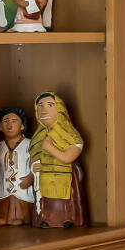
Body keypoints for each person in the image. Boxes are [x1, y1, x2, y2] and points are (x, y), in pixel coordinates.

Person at [30, 91, 85, 229]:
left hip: (64, 177)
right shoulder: (38, 137)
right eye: (40, 106)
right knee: (47, 201)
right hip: (45, 178)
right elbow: (33, 157)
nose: (44, 110)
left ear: (60, 109)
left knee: (64, 202)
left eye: (50, 105)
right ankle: (46, 219)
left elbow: (67, 158)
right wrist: (33, 167)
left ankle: (67, 219)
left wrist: (49, 147)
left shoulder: (71, 135)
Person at [0, 105, 37, 226]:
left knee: (20, 203)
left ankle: (21, 217)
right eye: (5, 121)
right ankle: (4, 216)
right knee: (3, 208)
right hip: (4, 187)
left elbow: (35, 164)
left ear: (22, 126)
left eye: (14, 121)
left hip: (22, 187)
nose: (9, 125)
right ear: (0, 126)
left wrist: (30, 178)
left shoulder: (30, 145)